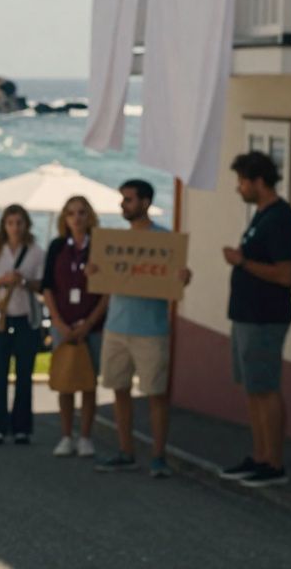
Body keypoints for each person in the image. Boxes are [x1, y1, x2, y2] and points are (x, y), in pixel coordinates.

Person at [93, 180, 191, 478]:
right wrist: (94, 272)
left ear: (145, 202)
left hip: (151, 330)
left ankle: (159, 457)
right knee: (119, 390)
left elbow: (173, 280)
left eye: (129, 199)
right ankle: (126, 452)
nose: (123, 204)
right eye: (122, 199)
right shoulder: (115, 242)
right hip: (116, 327)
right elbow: (103, 279)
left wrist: (182, 278)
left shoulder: (164, 241)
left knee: (156, 395)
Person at [218, 152, 291, 488]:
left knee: (266, 387)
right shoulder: (261, 216)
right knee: (252, 388)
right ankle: (260, 455)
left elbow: (285, 274)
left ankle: (275, 463)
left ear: (258, 182)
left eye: (242, 181)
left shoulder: (281, 219)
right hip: (246, 315)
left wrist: (242, 263)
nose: (239, 188)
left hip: (265, 318)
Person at [41, 196, 108, 458]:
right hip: (63, 326)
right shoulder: (57, 246)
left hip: (92, 326)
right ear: (64, 218)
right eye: (71, 213)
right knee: (65, 381)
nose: (76, 218)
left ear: (89, 216)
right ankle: (67, 436)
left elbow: (108, 292)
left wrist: (88, 323)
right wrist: (58, 322)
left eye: (81, 212)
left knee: (88, 383)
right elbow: (47, 287)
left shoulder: (100, 247)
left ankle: (86, 437)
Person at [0, 204, 46, 446]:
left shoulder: (36, 252)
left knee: (24, 376)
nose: (15, 227)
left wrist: (23, 281)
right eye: (10, 223)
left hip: (26, 318)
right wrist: (1, 280)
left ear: (26, 225)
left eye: (19, 223)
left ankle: (22, 429)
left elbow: (43, 286)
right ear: (4, 225)